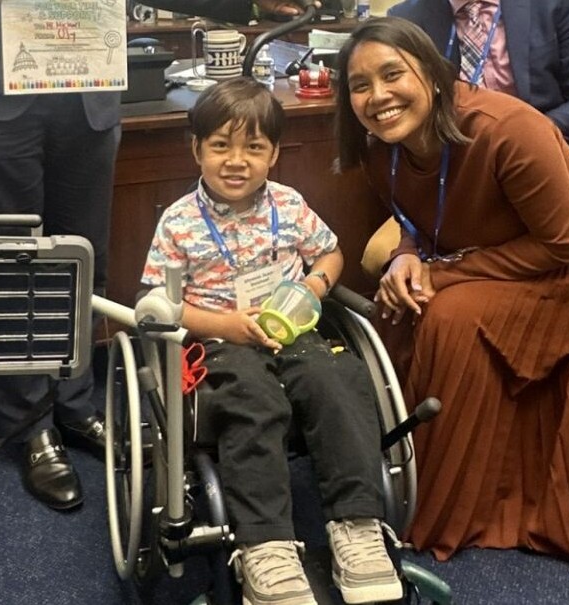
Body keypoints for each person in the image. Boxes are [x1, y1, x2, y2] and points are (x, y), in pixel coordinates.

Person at [0, 0, 314, 511]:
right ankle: (31, 425)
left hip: (85, 71)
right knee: (7, 260)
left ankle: (74, 403)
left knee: (82, 255)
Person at [332, 18, 569, 563]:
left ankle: (450, 506)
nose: (377, 96)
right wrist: (407, 257)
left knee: (449, 315)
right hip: (485, 245)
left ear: (431, 74)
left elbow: (563, 244)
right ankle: (392, 473)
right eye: (360, 86)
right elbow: (411, 214)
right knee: (397, 306)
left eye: (391, 75)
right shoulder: (383, 143)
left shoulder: (507, 129)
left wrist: (444, 272)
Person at [141, 77, 401, 605]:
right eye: (220, 146)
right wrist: (225, 326)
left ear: (274, 154)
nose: (236, 161)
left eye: (253, 148)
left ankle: (357, 525)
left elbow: (330, 253)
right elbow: (157, 304)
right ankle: (266, 546)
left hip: (293, 330)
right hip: (220, 341)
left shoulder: (289, 204)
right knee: (253, 400)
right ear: (197, 149)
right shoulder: (179, 223)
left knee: (339, 376)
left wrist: (314, 284)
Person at [388, 0, 569, 143]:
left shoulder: (554, 4)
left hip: (542, 161)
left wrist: (515, 139)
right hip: (452, 174)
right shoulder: (406, 21)